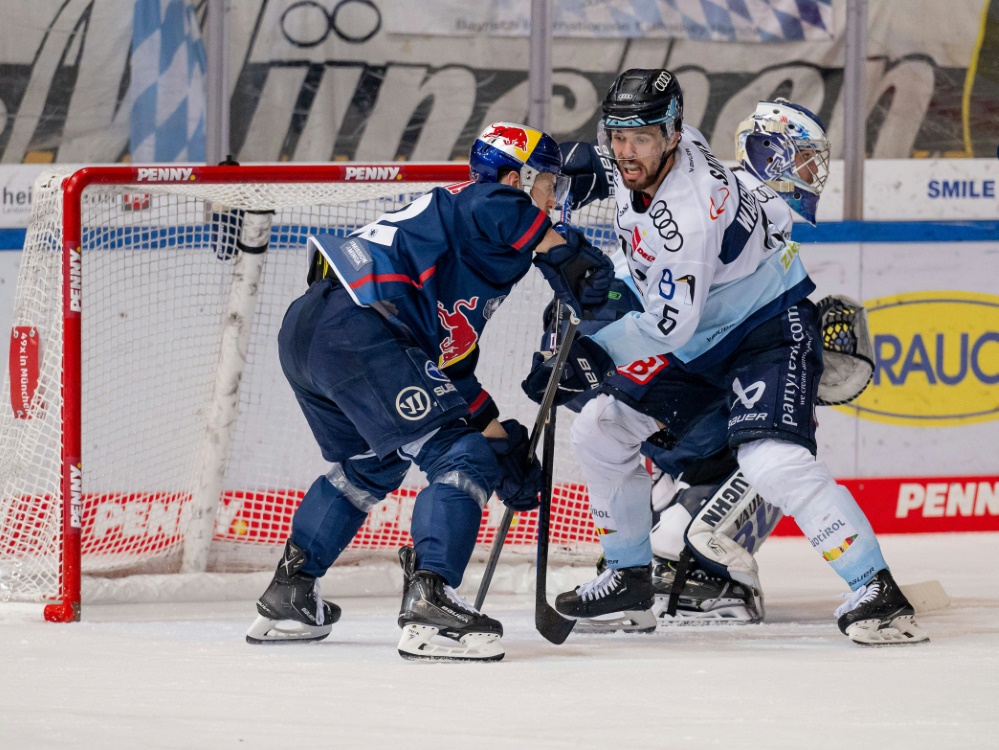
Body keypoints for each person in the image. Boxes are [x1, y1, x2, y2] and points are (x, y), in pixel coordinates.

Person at [523, 70, 926, 645]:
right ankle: (630, 581)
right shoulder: (664, 147)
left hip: (765, 331)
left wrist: (590, 356)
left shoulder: (685, 218)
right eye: (617, 135)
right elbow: (611, 172)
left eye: (639, 138)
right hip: (702, 340)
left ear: (671, 134)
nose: (625, 150)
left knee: (770, 462)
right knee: (601, 427)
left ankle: (876, 590)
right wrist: (566, 174)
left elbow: (668, 324)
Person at [245, 121, 614, 661]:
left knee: (376, 462)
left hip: (314, 330)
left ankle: (291, 590)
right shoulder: (484, 203)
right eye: (548, 183)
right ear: (518, 177)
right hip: (361, 327)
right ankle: (431, 606)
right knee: (457, 455)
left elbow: (452, 371)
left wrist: (500, 442)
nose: (552, 197)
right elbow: (500, 208)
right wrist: (564, 254)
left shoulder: (461, 247)